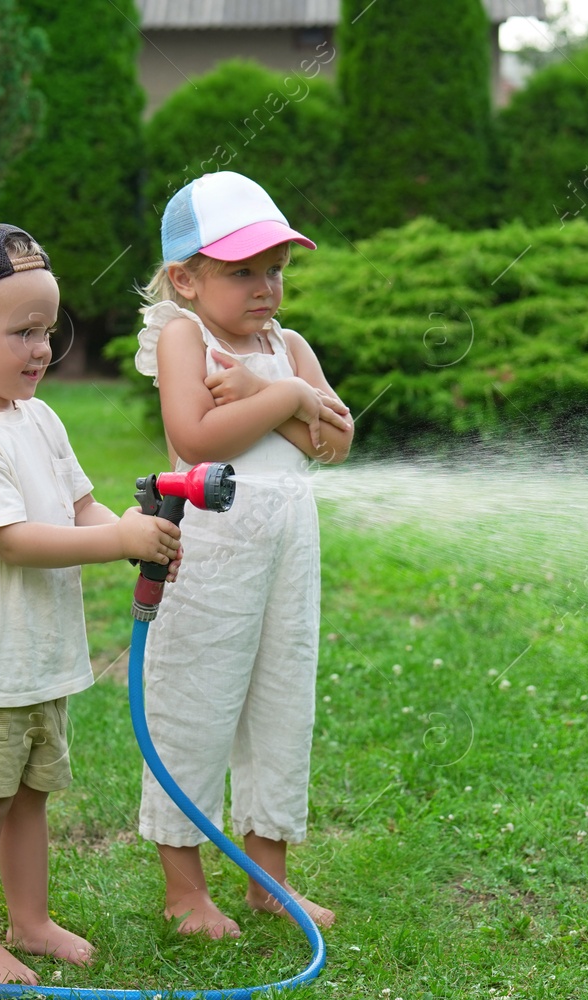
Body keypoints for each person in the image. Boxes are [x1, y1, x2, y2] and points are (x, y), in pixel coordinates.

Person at [0, 224, 182, 984]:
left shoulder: (40, 419)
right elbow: (14, 540)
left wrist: (126, 537)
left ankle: (29, 919)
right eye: (23, 332)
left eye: (48, 331)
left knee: (29, 797)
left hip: (39, 657)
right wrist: (115, 536)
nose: (42, 350)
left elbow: (79, 506)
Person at [131, 171, 354, 938]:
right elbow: (195, 437)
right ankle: (185, 889)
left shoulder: (285, 346)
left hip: (290, 551)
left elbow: (337, 441)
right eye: (242, 271)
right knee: (196, 702)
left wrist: (271, 392)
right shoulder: (184, 337)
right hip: (214, 553)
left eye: (276, 269)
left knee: (281, 704)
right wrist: (289, 400)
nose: (265, 286)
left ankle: (268, 879)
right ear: (185, 279)